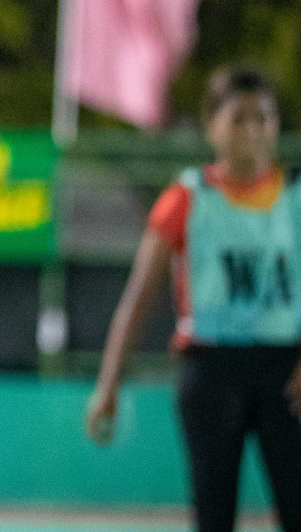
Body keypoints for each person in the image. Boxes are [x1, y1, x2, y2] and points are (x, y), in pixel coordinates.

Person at [86, 66, 301, 532]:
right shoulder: (187, 197)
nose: (252, 130)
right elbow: (136, 301)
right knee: (213, 513)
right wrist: (108, 386)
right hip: (211, 370)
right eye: (239, 118)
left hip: (288, 372)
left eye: (263, 118)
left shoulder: (295, 197)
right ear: (212, 125)